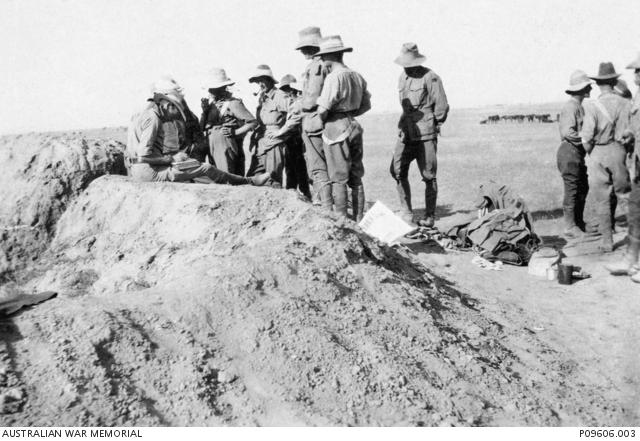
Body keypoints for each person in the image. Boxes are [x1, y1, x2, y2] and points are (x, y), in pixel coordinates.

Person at [127, 81, 269, 186]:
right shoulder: (154, 119)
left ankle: (238, 182)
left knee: (196, 168)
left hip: (141, 170)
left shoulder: (146, 114)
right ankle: (249, 181)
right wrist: (171, 159)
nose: (174, 117)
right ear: (168, 105)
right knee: (204, 167)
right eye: (176, 111)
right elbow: (143, 156)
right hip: (149, 172)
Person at [389, 43, 449, 227]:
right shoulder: (403, 77)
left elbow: (441, 107)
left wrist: (431, 125)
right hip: (406, 133)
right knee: (397, 170)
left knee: (429, 175)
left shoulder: (430, 77)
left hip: (425, 135)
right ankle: (406, 212)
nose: (406, 67)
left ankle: (429, 216)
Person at [314, 35, 371, 220]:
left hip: (335, 127)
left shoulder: (333, 78)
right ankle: (359, 218)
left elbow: (323, 109)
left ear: (331, 56)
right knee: (356, 175)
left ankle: (341, 220)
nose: (321, 60)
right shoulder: (357, 76)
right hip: (353, 124)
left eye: (323, 56)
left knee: (338, 177)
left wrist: (320, 121)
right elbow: (366, 105)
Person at [580, 62, 633, 252]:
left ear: (598, 83)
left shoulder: (592, 106)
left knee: (601, 199)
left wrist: (592, 152)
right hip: (619, 152)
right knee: (626, 196)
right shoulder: (626, 103)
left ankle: (607, 242)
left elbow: (586, 137)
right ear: (614, 81)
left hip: (598, 153)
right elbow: (630, 131)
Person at [606, 54, 640, 282]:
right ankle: (631, 261)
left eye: (639, 71)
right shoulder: (637, 97)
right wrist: (629, 134)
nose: (636, 75)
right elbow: (635, 127)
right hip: (638, 164)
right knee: (636, 212)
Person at [200, 68, 258, 175]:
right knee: (216, 176)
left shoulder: (233, 103)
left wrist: (235, 133)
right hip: (211, 142)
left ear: (221, 88)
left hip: (225, 143)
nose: (209, 91)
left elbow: (252, 122)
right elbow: (202, 127)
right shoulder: (212, 104)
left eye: (212, 88)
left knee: (227, 175)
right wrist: (205, 111)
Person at [295, 26, 330, 207]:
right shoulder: (327, 64)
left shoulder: (316, 66)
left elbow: (311, 100)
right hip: (322, 121)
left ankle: (324, 204)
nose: (302, 52)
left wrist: (297, 106)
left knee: (318, 167)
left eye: (304, 48)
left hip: (314, 121)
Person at [556, 70, 592, 239]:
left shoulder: (578, 106)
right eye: (588, 86)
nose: (591, 88)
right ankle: (570, 226)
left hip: (575, 153)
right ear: (582, 89)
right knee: (572, 190)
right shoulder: (571, 107)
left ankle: (578, 222)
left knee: (582, 187)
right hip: (569, 153)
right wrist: (587, 139)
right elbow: (567, 132)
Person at [246, 65, 290, 187]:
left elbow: (296, 114)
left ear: (269, 80)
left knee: (273, 179)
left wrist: (281, 131)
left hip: (274, 143)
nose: (260, 84)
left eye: (262, 80)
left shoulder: (280, 95)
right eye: (258, 81)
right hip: (261, 143)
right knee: (254, 179)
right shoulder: (262, 98)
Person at [279, 74, 312, 199]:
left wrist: (279, 133)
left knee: (299, 167)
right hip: (292, 139)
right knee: (291, 167)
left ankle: (303, 192)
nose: (286, 93)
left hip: (297, 139)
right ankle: (293, 190)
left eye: (287, 90)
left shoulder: (298, 103)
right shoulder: (294, 102)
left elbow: (293, 122)